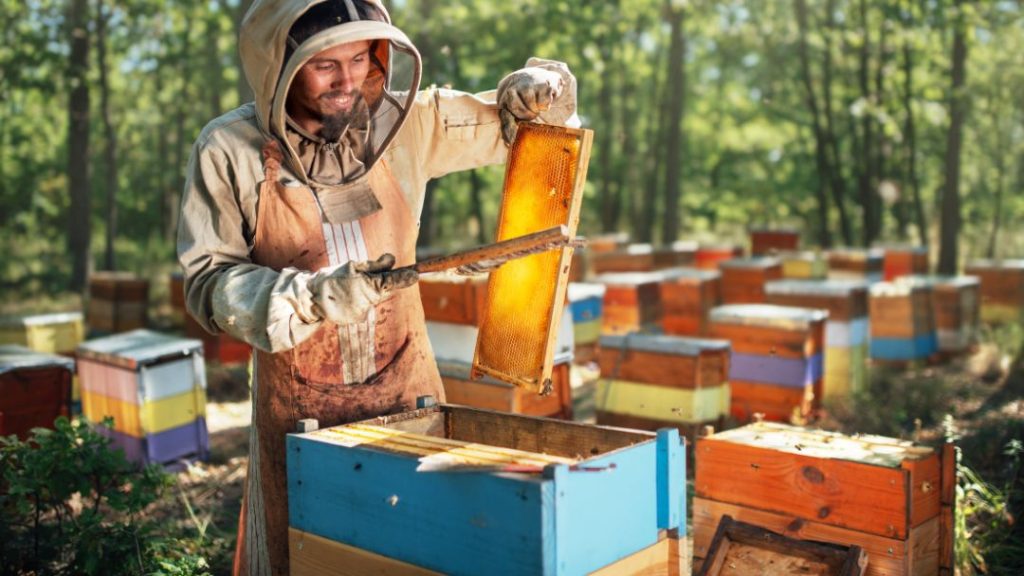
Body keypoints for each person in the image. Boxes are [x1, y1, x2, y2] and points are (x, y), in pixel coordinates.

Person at [175, 0, 578, 574]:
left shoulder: (411, 123)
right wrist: (306, 298)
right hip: (299, 411)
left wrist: (535, 89)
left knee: (417, 548)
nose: (348, 82)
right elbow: (208, 281)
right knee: (311, 553)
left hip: (409, 389)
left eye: (360, 59)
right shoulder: (228, 150)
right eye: (325, 67)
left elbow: (527, 125)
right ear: (280, 66)